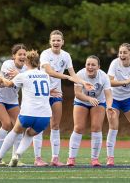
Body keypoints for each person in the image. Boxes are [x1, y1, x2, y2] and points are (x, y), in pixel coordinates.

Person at [0, 50, 60, 167]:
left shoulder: (23, 75)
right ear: (38, 63)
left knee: (15, 131)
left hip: (28, 112)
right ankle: (17, 154)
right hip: (45, 115)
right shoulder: (45, 75)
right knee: (30, 134)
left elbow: (8, 84)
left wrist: (2, 79)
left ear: (27, 62)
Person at [39, 30, 93, 166]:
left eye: (58, 40)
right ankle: (37, 157)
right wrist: (67, 77)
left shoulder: (66, 55)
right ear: (50, 42)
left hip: (57, 93)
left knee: (55, 125)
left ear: (63, 42)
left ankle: (55, 158)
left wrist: (83, 82)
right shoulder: (45, 54)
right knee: (39, 125)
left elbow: (73, 74)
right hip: (42, 92)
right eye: (54, 40)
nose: (56, 42)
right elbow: (49, 72)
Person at [66, 55, 114, 167]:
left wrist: (109, 106)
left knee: (96, 127)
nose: (90, 67)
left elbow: (108, 95)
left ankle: (95, 159)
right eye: (88, 64)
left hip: (98, 101)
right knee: (78, 127)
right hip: (81, 100)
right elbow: (77, 93)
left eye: (93, 65)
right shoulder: (80, 74)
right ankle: (71, 158)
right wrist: (88, 99)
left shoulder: (104, 77)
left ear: (98, 67)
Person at [0, 44, 27, 166]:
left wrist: (19, 75)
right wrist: (17, 77)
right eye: (19, 54)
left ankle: (15, 158)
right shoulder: (7, 64)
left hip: (12, 100)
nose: (22, 56)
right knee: (6, 123)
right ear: (13, 56)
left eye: (24, 54)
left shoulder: (27, 68)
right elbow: (5, 81)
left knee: (20, 126)